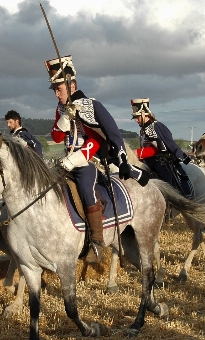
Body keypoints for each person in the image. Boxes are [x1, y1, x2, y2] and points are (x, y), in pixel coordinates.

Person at [47, 55, 148, 263]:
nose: (57, 94)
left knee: (86, 189)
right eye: (55, 90)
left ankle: (96, 241)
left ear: (72, 85)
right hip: (65, 159)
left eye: (60, 89)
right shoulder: (60, 109)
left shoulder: (90, 106)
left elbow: (101, 138)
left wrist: (76, 159)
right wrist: (65, 118)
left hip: (87, 161)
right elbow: (56, 137)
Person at [131, 98, 194, 199]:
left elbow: (159, 148)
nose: (136, 120)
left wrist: (138, 153)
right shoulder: (143, 130)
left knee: (166, 186)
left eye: (137, 117)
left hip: (160, 161)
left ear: (144, 114)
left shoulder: (157, 126)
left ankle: (174, 202)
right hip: (147, 162)